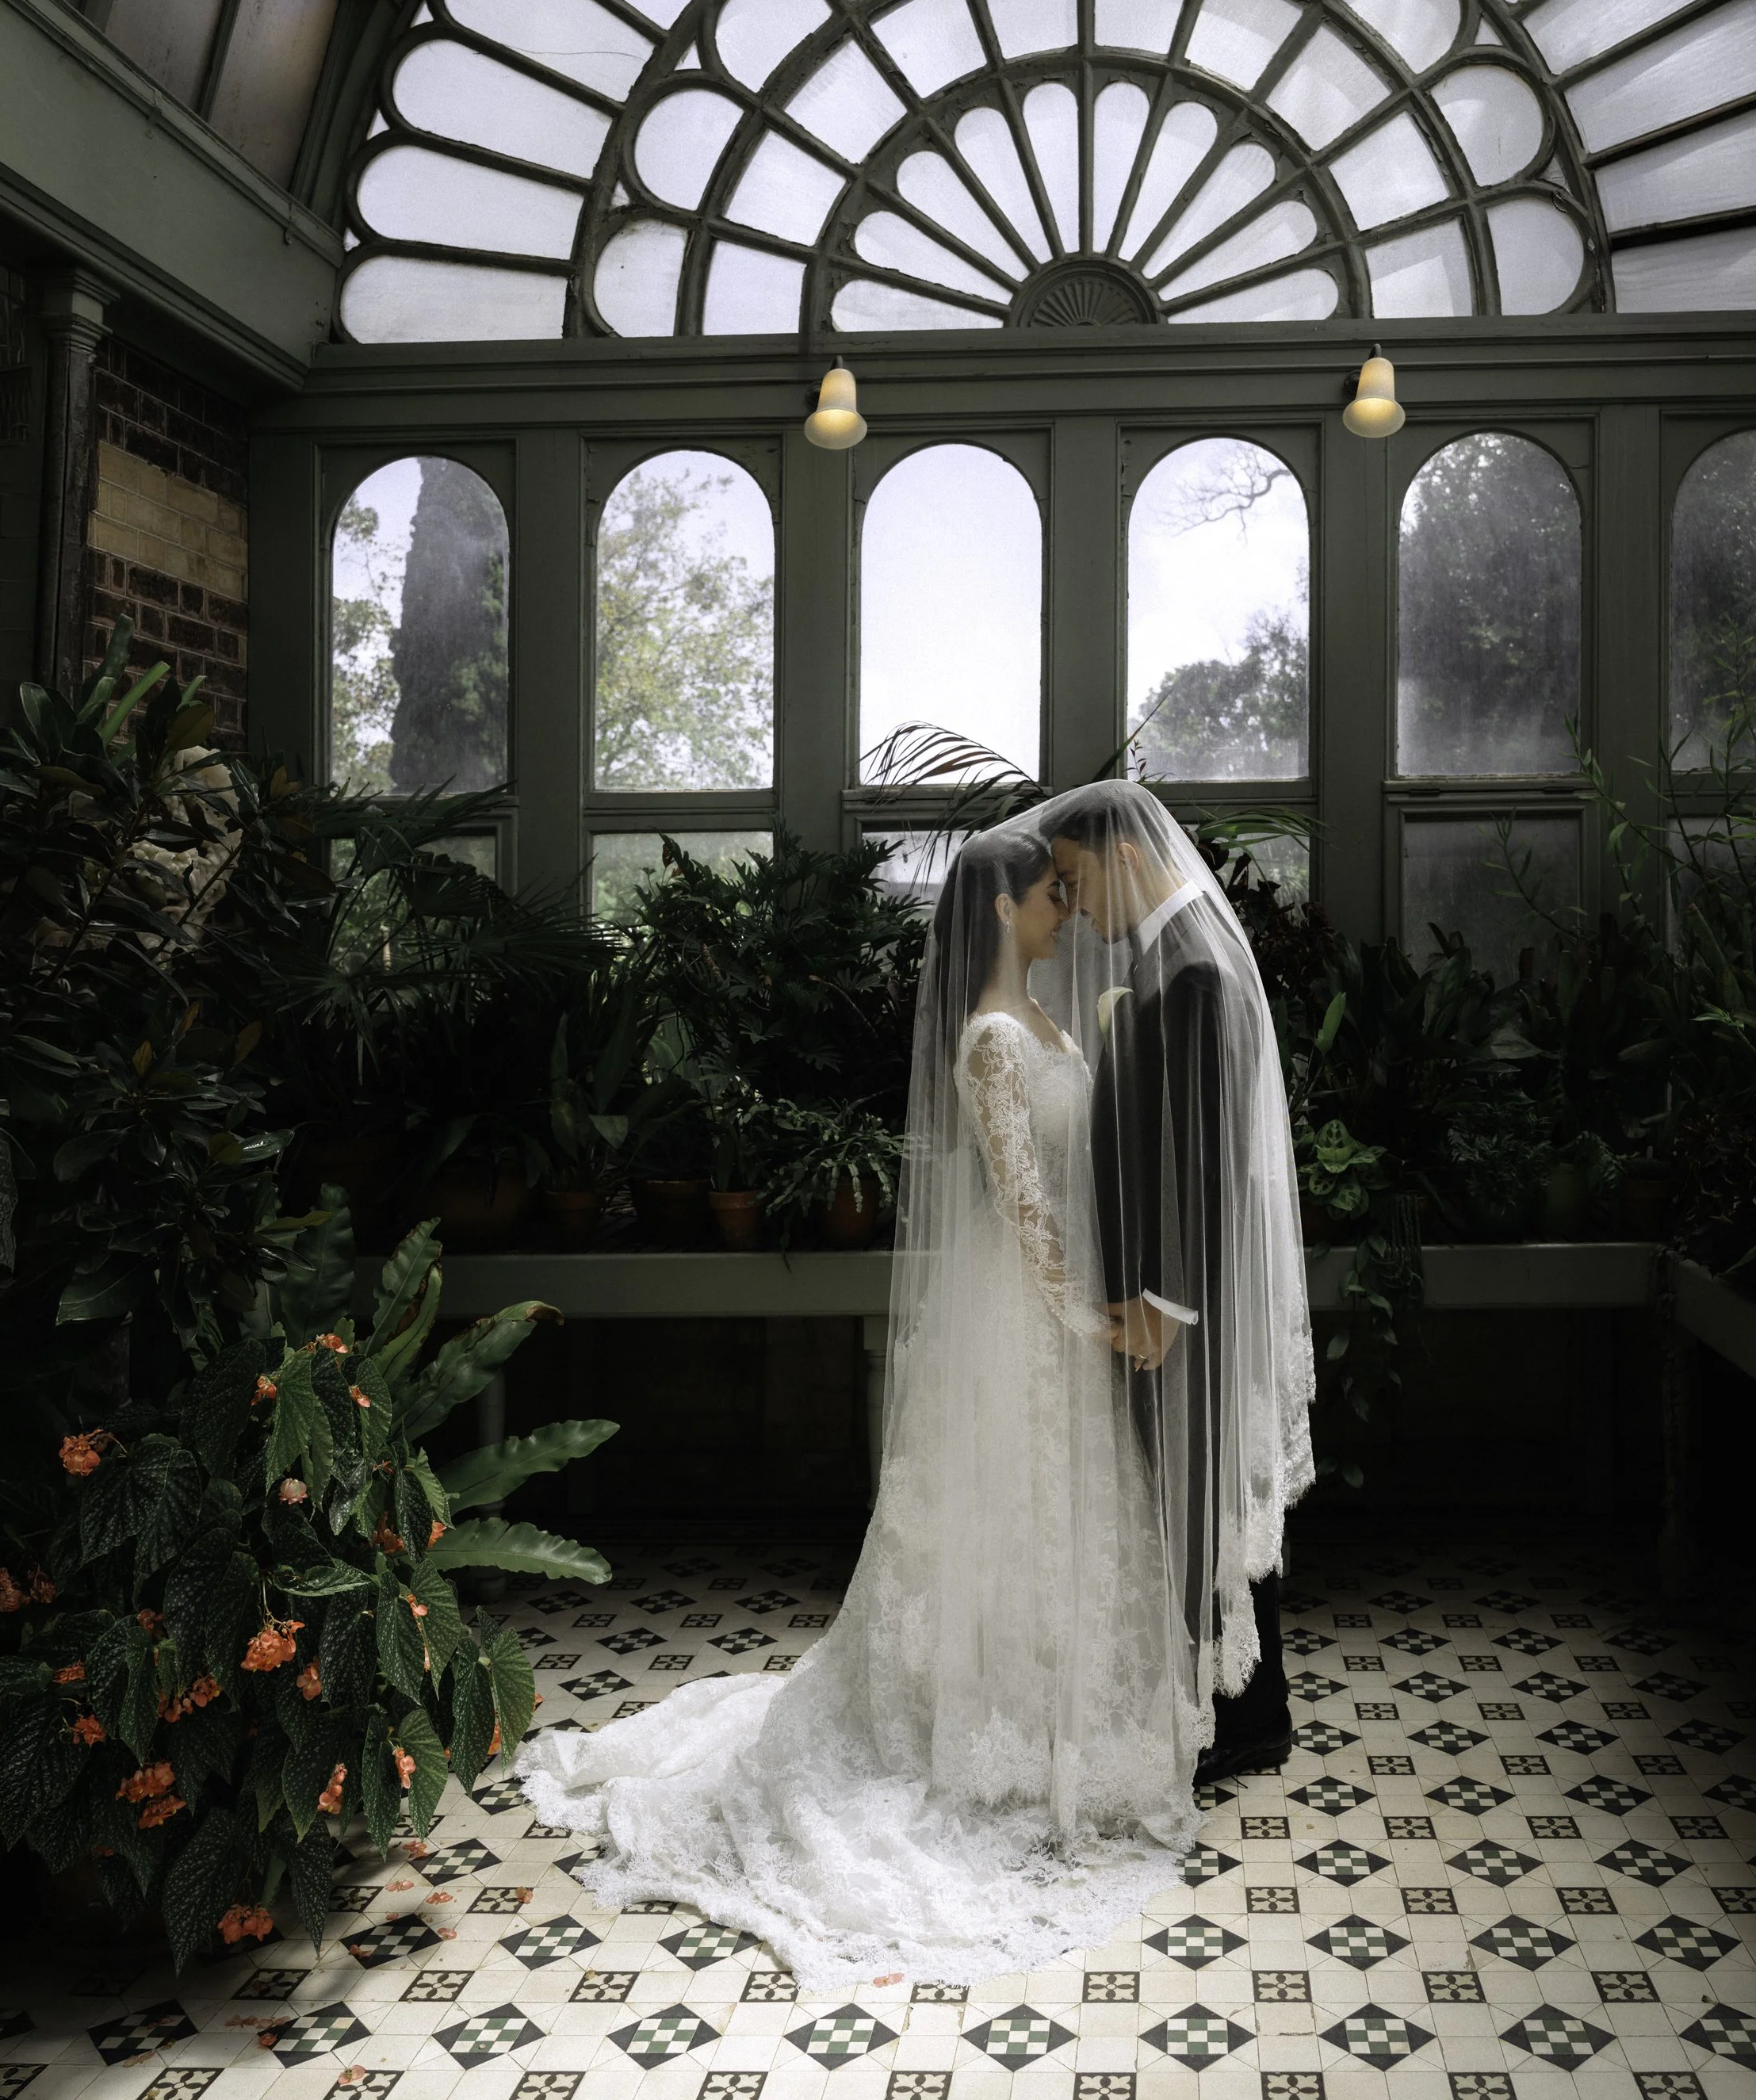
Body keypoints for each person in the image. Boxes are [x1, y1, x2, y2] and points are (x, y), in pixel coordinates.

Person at [522, 825, 1198, 1992]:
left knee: (1060, 1513)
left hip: (1062, 1307)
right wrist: (1084, 1316)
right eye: (1050, 891)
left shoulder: (1048, 1020)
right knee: (1003, 1513)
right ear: (998, 910)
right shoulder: (993, 1039)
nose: (1064, 904)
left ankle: (1064, 1725)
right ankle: (979, 1729)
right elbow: (1025, 1205)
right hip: (1019, 1314)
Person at [1040, 780, 1314, 1787]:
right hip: (1178, 1290)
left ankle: (1247, 1721)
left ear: (1121, 853)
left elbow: (1206, 1155)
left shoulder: (1190, 967)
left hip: (1184, 1299)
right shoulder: (1177, 952)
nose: (1074, 908)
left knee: (1204, 1496)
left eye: (1075, 880)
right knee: (1203, 1496)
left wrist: (1166, 1300)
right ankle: (1238, 1704)